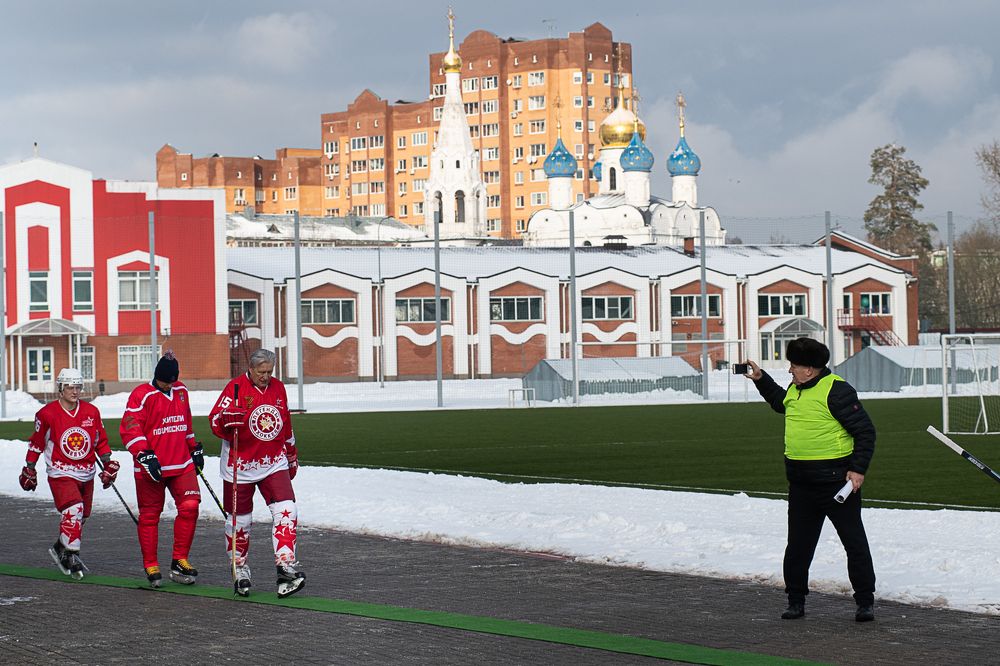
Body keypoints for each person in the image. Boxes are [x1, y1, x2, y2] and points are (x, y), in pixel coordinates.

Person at [744, 337, 877, 622]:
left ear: (809, 369)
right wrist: (761, 379)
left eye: (793, 365)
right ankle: (795, 601)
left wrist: (858, 470)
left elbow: (865, 432)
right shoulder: (796, 389)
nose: (789, 370)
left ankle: (865, 602)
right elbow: (781, 403)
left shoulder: (837, 390)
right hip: (801, 485)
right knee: (798, 547)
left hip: (837, 484)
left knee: (854, 544)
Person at [209, 348, 305, 598]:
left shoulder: (278, 388)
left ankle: (285, 567)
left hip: (273, 462)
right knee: (239, 522)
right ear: (250, 369)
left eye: (269, 372)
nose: (265, 376)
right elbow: (214, 420)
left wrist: (291, 453)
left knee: (287, 510)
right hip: (239, 466)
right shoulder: (235, 388)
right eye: (261, 372)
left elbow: (285, 423)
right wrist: (225, 421)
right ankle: (239, 569)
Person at [19, 368, 117, 579]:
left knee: (81, 516)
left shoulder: (91, 412)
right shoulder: (47, 414)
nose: (75, 391)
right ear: (61, 389)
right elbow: (37, 443)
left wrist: (108, 464)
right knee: (74, 509)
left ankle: (60, 547)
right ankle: (71, 555)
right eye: (70, 387)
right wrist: (29, 467)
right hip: (60, 471)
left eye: (78, 387)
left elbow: (100, 440)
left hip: (87, 472)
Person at [119, 351, 203, 587]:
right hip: (152, 466)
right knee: (149, 515)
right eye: (165, 381)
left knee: (190, 506)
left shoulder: (181, 390)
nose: (169, 385)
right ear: (157, 377)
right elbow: (129, 428)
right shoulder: (141, 395)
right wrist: (143, 454)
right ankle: (151, 564)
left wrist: (193, 447)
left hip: (181, 463)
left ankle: (179, 560)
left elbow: (186, 422)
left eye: (172, 381)